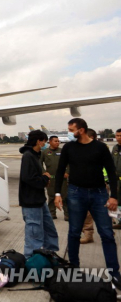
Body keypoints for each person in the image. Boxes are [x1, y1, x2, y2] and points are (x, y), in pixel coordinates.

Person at [54, 118, 120, 286]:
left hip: (99, 194)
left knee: (106, 233)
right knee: (74, 232)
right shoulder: (69, 148)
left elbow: (111, 172)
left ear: (81, 130)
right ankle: (74, 268)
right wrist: (57, 193)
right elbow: (60, 170)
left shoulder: (100, 148)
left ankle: (114, 273)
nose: (69, 132)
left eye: (71, 129)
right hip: (76, 193)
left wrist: (114, 196)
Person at [19, 130, 60, 259]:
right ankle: (32, 261)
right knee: (34, 233)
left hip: (39, 200)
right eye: (44, 141)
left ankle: (49, 254)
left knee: (49, 229)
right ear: (39, 141)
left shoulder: (35, 155)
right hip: (31, 202)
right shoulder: (28, 156)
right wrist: (45, 179)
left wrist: (43, 178)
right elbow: (28, 178)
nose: (45, 144)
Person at [40, 136, 69, 221]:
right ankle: (52, 213)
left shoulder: (62, 151)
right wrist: (44, 172)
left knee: (65, 196)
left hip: (62, 179)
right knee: (51, 196)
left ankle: (67, 214)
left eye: (58, 141)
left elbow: (69, 163)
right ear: (50, 142)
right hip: (51, 179)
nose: (57, 142)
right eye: (55, 141)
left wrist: (67, 172)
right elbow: (39, 163)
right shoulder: (44, 152)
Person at [113, 128, 121, 230]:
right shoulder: (115, 148)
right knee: (118, 201)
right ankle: (119, 221)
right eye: (117, 136)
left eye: (120, 136)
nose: (119, 138)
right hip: (117, 180)